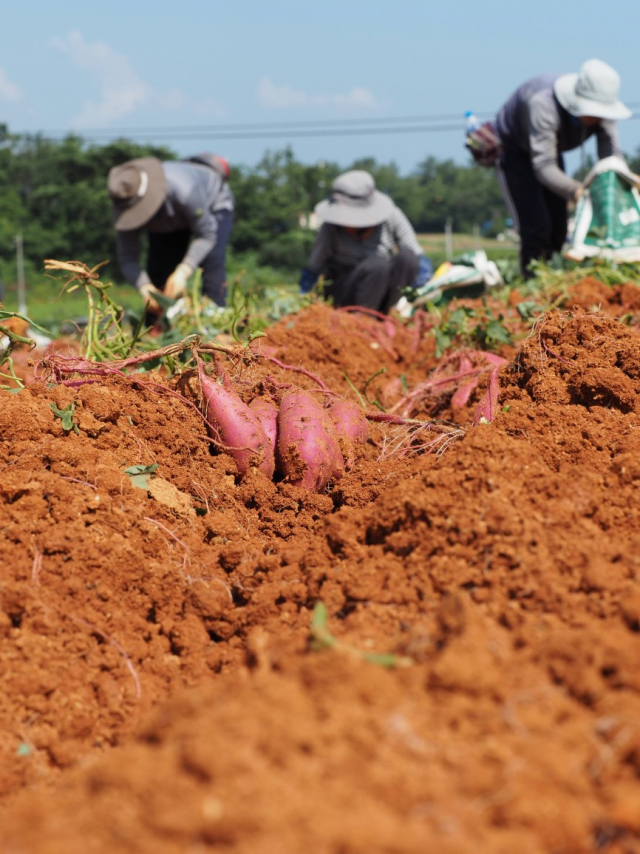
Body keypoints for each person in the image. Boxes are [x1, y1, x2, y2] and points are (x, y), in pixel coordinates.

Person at [494, 59, 632, 277]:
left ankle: (551, 277)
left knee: (559, 227)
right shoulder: (543, 104)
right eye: (594, 112)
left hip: (551, 152)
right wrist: (578, 190)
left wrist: (627, 185)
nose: (598, 118)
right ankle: (532, 283)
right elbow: (543, 165)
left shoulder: (603, 116)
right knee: (537, 226)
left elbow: (611, 157)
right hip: (516, 152)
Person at [107, 154, 234, 313]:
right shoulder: (124, 200)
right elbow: (128, 259)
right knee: (160, 271)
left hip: (211, 205)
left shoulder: (184, 191)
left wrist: (183, 271)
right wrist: (145, 287)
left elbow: (206, 236)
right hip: (169, 219)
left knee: (211, 264)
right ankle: (159, 327)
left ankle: (217, 321)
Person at [299, 170, 432, 313]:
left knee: (407, 257)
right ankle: (363, 321)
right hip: (347, 292)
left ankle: (393, 314)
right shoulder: (330, 228)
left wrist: (422, 286)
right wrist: (304, 299)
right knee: (377, 265)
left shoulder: (391, 216)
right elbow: (314, 268)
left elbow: (418, 258)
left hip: (386, 293)